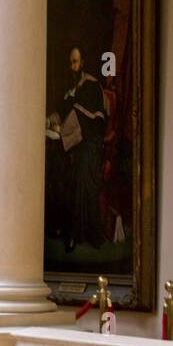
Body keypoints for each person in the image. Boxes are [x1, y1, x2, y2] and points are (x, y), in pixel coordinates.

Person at [46, 46, 107, 252]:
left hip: (89, 148)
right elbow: (61, 110)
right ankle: (62, 228)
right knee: (60, 179)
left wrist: (61, 130)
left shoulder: (90, 86)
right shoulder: (71, 88)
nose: (72, 66)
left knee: (80, 183)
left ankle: (78, 234)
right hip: (72, 146)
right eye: (70, 62)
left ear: (83, 63)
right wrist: (50, 120)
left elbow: (84, 118)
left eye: (75, 62)